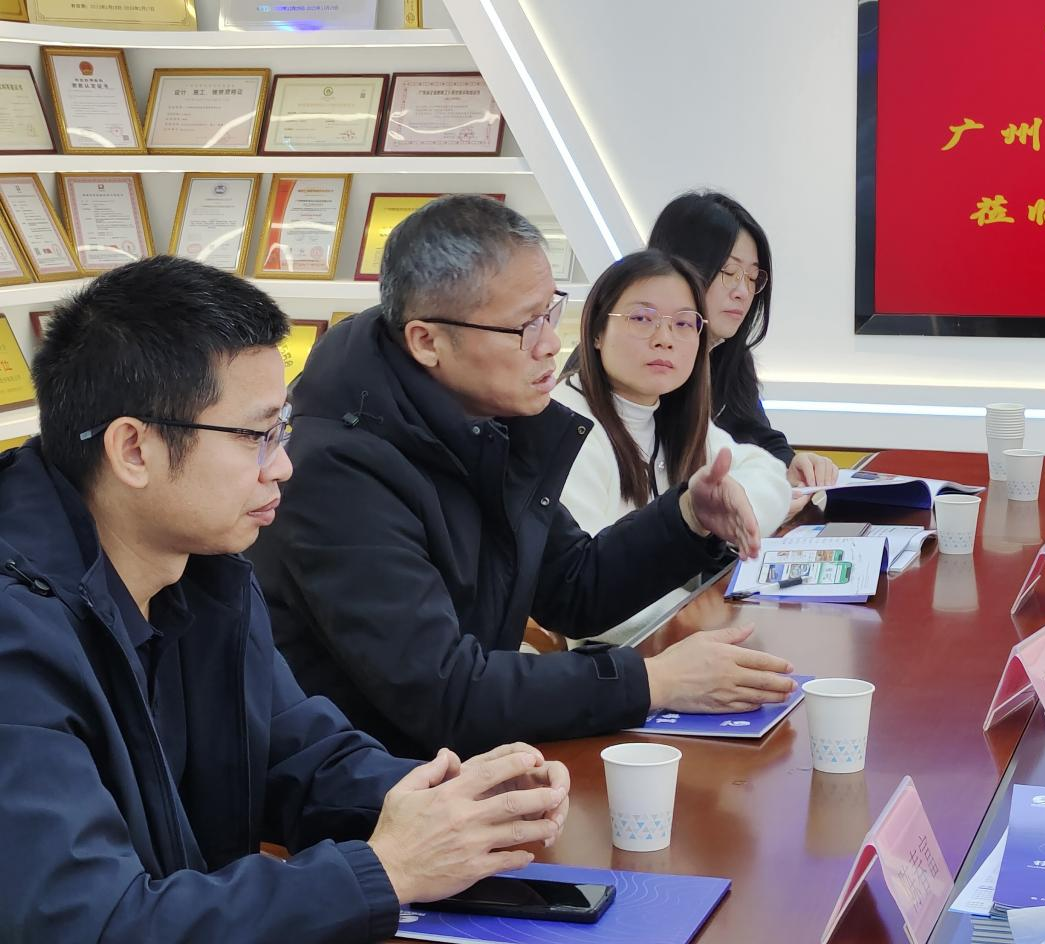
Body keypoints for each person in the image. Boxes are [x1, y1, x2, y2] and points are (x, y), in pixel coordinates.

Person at [0, 256, 569, 943]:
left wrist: (454, 801)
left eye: (283, 431)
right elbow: (92, 923)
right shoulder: (16, 637)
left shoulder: (207, 575)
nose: (283, 465)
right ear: (134, 450)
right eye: (256, 436)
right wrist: (385, 870)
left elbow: (302, 760)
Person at [248, 194, 796, 759]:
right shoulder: (336, 470)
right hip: (371, 785)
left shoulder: (483, 417)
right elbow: (444, 693)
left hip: (459, 769)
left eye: (550, 314)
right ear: (427, 341)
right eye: (524, 326)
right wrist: (654, 681)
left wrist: (685, 518)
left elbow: (574, 587)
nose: (550, 344)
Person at [552, 249, 791, 645]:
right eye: (642, 319)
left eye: (683, 323)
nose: (664, 339)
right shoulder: (567, 426)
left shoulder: (669, 411)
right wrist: (706, 617)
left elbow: (768, 473)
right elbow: (581, 593)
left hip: (685, 636)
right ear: (596, 331)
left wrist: (730, 511)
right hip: (613, 657)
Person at [648, 190, 841, 494]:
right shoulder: (641, 359)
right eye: (729, 272)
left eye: (752, 278)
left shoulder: (728, 355)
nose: (742, 292)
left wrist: (791, 465)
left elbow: (755, 436)